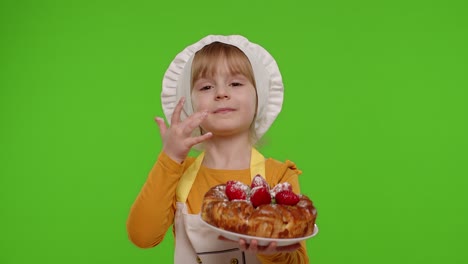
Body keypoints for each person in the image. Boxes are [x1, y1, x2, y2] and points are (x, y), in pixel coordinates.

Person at [127, 35, 311, 263]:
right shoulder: (179, 174)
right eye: (206, 86)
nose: (221, 93)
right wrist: (170, 158)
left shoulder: (278, 176)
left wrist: (272, 250)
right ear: (190, 104)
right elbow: (142, 236)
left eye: (235, 83)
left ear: (259, 96)